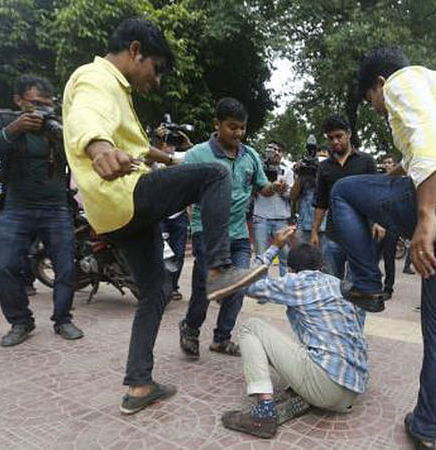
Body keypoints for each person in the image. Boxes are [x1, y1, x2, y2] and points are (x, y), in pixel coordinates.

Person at [62, 18, 266, 415]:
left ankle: (139, 385)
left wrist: (171, 157)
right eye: (156, 69)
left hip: (115, 215)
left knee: (155, 290)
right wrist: (99, 147)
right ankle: (220, 268)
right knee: (216, 174)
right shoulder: (95, 77)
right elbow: (87, 116)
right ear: (135, 50)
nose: (155, 81)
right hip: (126, 195)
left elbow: (140, 150)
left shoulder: (120, 93)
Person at [334, 46, 436, 449]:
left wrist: (426, 217)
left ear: (379, 82)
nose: (377, 108)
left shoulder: (401, 81)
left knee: (342, 191)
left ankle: (369, 284)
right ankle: (425, 427)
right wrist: (401, 169)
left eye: (372, 99)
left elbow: (429, 144)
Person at [221, 226, 368, 439]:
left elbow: (245, 284)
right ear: (321, 265)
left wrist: (274, 247)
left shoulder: (297, 281)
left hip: (327, 384)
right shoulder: (339, 285)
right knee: (306, 343)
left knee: (250, 327)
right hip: (352, 391)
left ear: (290, 270)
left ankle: (264, 414)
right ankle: (306, 393)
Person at [178, 97, 286, 359]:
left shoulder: (250, 156)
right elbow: (181, 189)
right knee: (208, 285)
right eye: (232, 127)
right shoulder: (197, 155)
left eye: (242, 128)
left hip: (238, 234)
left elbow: (263, 188)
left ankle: (221, 338)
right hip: (208, 233)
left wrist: (275, 188)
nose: (238, 133)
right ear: (217, 124)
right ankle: (191, 329)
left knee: (238, 285)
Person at [0, 76, 83, 346]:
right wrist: (14, 129)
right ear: (18, 100)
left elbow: (81, 155)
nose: (42, 111)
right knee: (4, 266)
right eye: (35, 104)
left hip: (57, 208)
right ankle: (20, 322)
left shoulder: (58, 126)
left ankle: (63, 320)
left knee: (66, 268)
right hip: (16, 208)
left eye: (47, 105)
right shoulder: (1, 120)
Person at [310, 115, 378, 281]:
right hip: (333, 235)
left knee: (359, 285)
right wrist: (314, 231)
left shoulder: (366, 161)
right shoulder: (324, 167)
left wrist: (378, 223)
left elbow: (376, 196)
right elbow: (321, 202)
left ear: (349, 133)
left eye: (338, 136)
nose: (334, 142)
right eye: (330, 138)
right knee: (332, 283)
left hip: (362, 234)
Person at [155, 124, 194, 301]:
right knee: (160, 252)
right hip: (159, 215)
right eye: (166, 141)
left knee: (178, 253)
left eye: (173, 141)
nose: (170, 145)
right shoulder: (154, 158)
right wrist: (156, 141)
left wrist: (188, 144)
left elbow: (202, 157)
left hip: (179, 215)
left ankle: (172, 287)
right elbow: (143, 155)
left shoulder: (182, 157)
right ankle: (157, 287)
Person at [253, 140, 294, 275]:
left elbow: (292, 195)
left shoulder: (288, 170)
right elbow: (252, 190)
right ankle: (262, 290)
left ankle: (285, 288)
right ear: (267, 152)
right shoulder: (258, 169)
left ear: (282, 154)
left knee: (285, 257)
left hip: (281, 218)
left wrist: (283, 191)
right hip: (261, 217)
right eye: (272, 150)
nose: (276, 153)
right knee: (261, 257)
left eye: (279, 150)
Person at [378, 154, 400, 296]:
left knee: (389, 258)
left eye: (389, 162)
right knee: (373, 256)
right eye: (384, 163)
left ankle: (388, 288)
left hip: (392, 225)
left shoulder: (399, 182)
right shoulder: (379, 181)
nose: (386, 165)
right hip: (378, 224)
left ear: (394, 165)